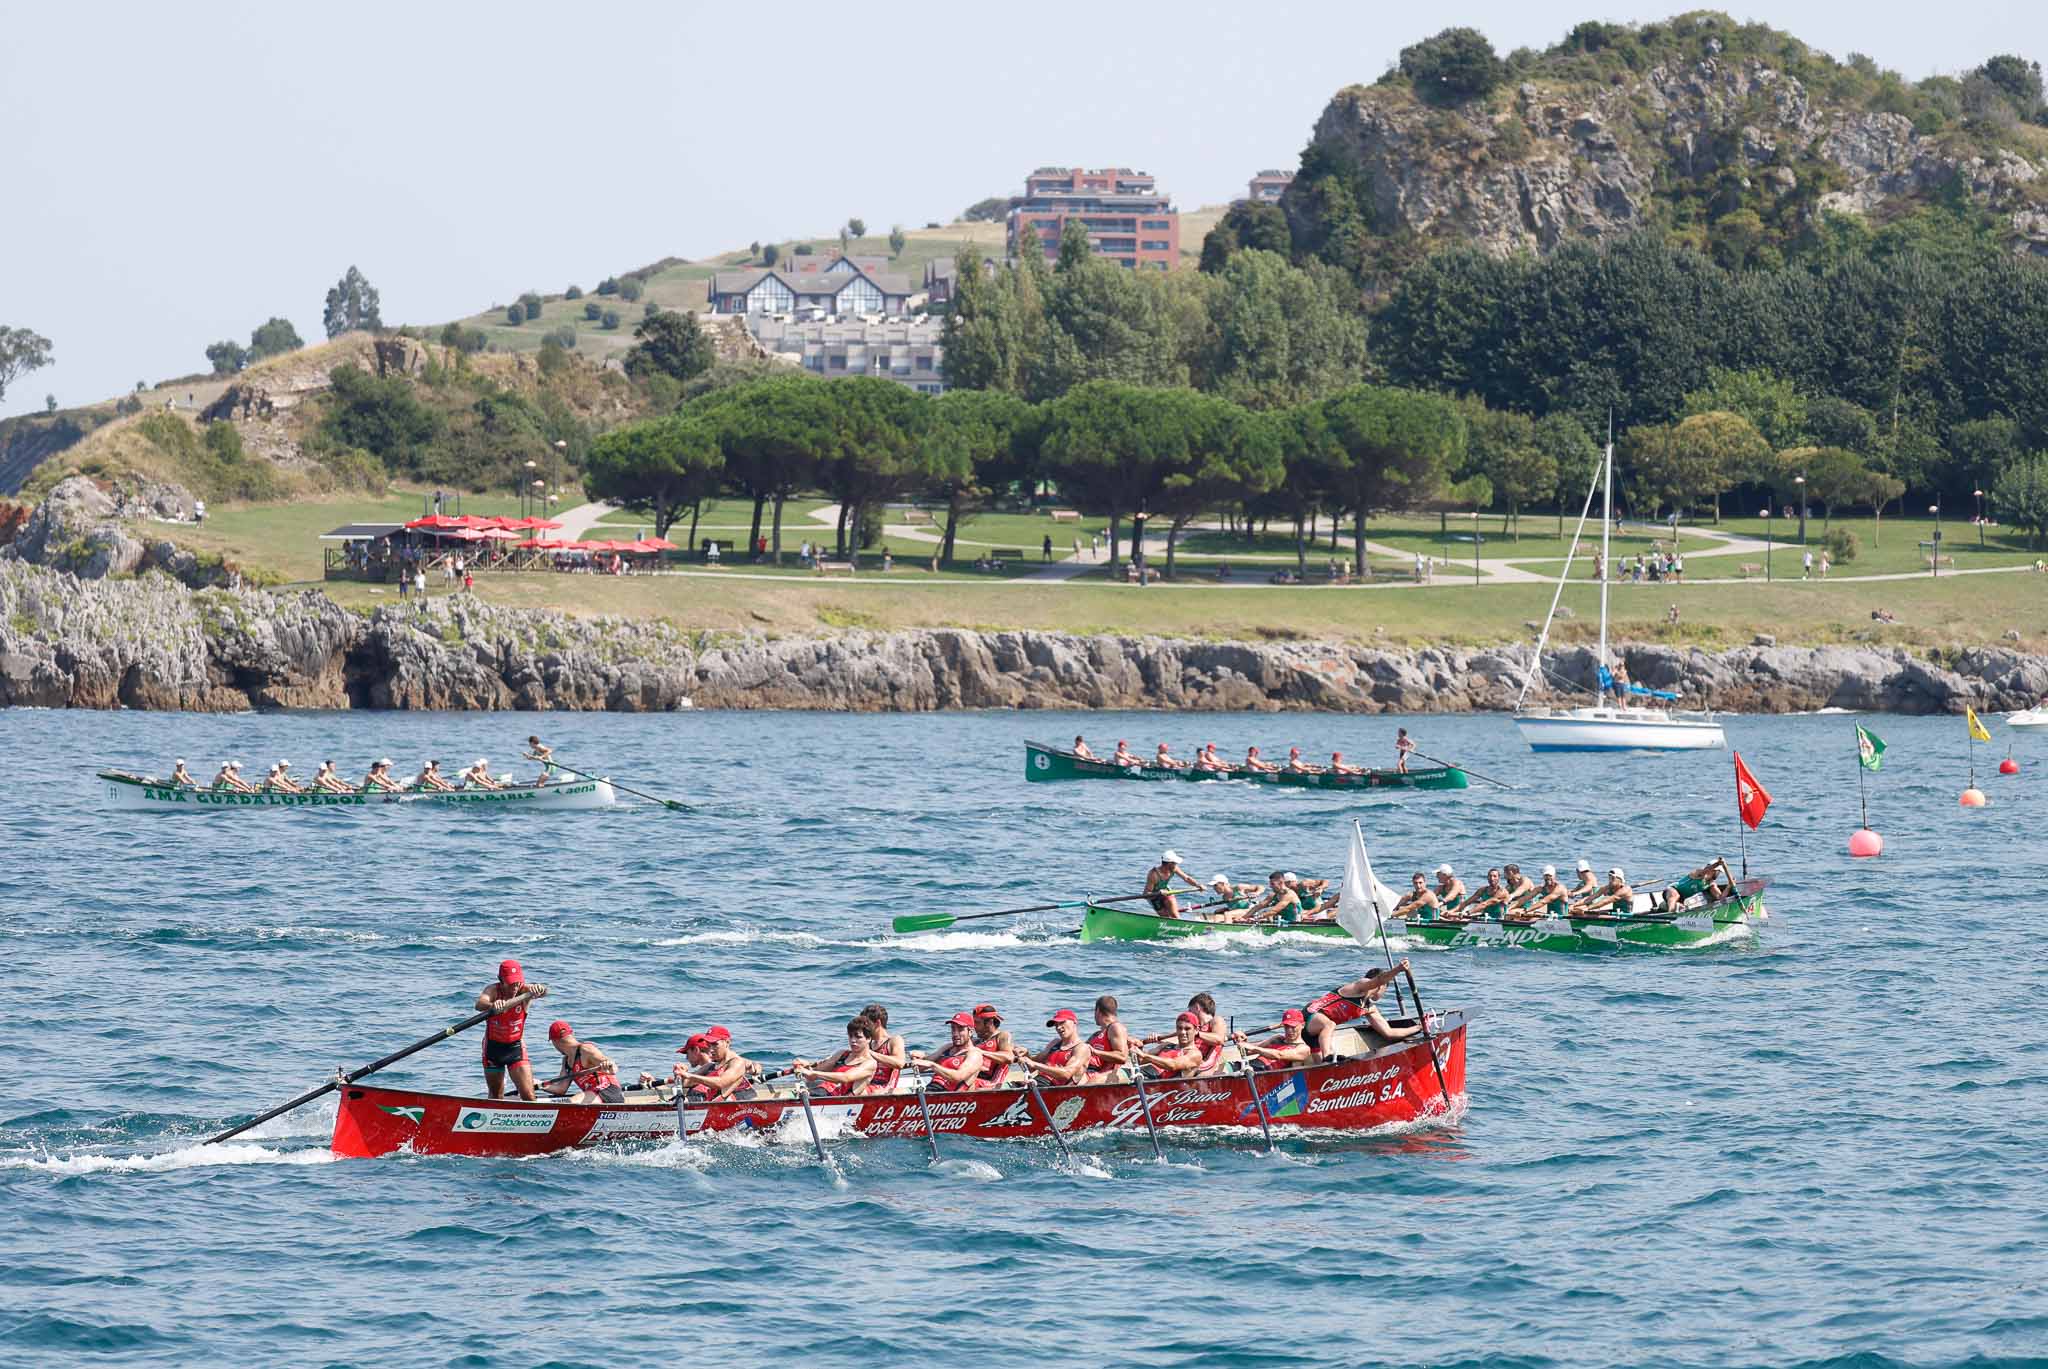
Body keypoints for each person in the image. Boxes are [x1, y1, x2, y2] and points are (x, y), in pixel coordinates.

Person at [1302, 963, 1422, 1058]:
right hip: (1309, 1016)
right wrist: (1398, 969)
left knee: (1321, 1065)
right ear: (1382, 986)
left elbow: (1388, 1033)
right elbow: (1379, 979)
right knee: (1330, 1025)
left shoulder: (1369, 1009)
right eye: (1385, 988)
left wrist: (1418, 1027)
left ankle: (1327, 1061)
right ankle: (1327, 1054)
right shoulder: (1359, 987)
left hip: (1317, 1033)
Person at [477, 959, 547, 1100]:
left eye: (517, 982)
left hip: (515, 1049)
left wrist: (539, 988)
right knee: (496, 1096)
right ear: (500, 980)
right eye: (510, 983)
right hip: (493, 1049)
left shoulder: (524, 990)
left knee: (529, 1096)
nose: (515, 987)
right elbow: (479, 1004)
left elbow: (544, 991)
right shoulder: (493, 990)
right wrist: (493, 1005)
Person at [792, 1018, 879, 1097]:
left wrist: (815, 1074)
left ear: (869, 1039)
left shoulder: (870, 1063)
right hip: (820, 1092)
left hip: (837, 1099)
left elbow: (846, 1077)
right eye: (850, 1036)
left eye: (858, 1037)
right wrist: (805, 1067)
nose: (853, 1040)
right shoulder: (842, 1054)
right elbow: (815, 1072)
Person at [541, 1021, 623, 1104]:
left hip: (609, 1091)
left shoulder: (585, 1050)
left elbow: (612, 1066)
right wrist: (538, 1084)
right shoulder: (566, 1061)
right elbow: (561, 1089)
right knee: (571, 1102)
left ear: (555, 1041)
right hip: (592, 1095)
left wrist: (610, 1067)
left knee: (571, 1102)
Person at [1016, 1008, 1093, 1086]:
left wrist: (1034, 1064)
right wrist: (1026, 1055)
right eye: (1056, 1025)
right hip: (1037, 1082)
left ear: (1074, 1022)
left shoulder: (1082, 1048)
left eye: (1062, 1022)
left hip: (1055, 1089)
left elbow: (1066, 1074)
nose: (1058, 1027)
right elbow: (1031, 1068)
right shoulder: (1055, 1043)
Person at [912, 1012, 988, 1092]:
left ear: (970, 1032)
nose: (955, 1033)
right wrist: (919, 1058)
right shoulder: (947, 1047)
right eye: (953, 1029)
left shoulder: (974, 1054)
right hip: (932, 1089)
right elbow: (922, 1068)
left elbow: (958, 1077)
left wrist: (933, 1065)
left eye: (960, 1029)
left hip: (948, 1095)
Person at [675, 1025, 752, 1101]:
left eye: (715, 1044)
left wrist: (689, 1075)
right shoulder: (709, 1066)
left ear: (727, 1042)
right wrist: (680, 1073)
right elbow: (685, 1083)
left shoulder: (737, 1063)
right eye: (709, 1045)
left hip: (746, 1110)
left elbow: (721, 1082)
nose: (711, 1049)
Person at [1134, 1011, 1211, 1079]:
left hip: (1157, 1083)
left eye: (1187, 1029)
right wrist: (1140, 1047)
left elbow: (1173, 1065)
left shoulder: (1195, 1054)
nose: (1182, 1032)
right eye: (1179, 1028)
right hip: (1141, 1074)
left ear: (1196, 1030)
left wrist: (1145, 1056)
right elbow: (1140, 1061)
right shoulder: (1167, 1045)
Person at [1235, 1009, 1314, 1070]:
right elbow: (1248, 1052)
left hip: (1264, 1073)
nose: (1289, 1030)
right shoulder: (1277, 1039)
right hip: (1249, 1066)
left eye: (1293, 1027)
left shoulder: (1303, 1048)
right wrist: (1242, 1041)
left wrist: (1254, 1048)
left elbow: (1279, 1055)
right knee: (1226, 1067)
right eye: (1286, 1026)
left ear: (1302, 1025)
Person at [1084, 995, 1133, 1082]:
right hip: (1094, 1071)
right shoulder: (1096, 1035)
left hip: (1114, 1074)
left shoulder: (1116, 1027)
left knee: (1093, 1080)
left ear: (1098, 1011)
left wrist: (1095, 1052)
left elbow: (1122, 1057)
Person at [860, 1004, 907, 1094]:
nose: (864, 1028)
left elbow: (900, 1063)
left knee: (859, 1092)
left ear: (878, 1023)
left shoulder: (894, 1040)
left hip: (883, 1088)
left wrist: (870, 1053)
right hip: (865, 1083)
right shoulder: (868, 1043)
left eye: (867, 1024)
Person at [969, 1003, 1016, 1088]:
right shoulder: (976, 1041)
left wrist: (980, 1052)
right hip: (973, 1077)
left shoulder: (1002, 1036)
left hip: (990, 1083)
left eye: (977, 1022)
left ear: (990, 1022)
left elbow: (1009, 1057)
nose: (974, 1026)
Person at [1145, 851, 1202, 918]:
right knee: (1165, 917)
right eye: (1175, 863)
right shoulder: (1153, 874)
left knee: (1175, 915)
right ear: (1169, 864)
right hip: (1154, 896)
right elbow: (1147, 894)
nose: (1176, 864)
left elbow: (1186, 878)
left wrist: (1198, 885)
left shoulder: (1174, 868)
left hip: (1167, 891)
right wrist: (1158, 893)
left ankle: (1181, 925)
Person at [1572, 867, 1636, 916]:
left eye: (1613, 878)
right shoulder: (1607, 887)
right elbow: (1590, 898)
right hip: (1615, 913)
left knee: (1590, 913)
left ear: (1620, 879)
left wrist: (1587, 909)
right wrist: (1573, 905)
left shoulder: (1625, 890)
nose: (1610, 881)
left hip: (1625, 916)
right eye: (1609, 878)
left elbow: (1605, 901)